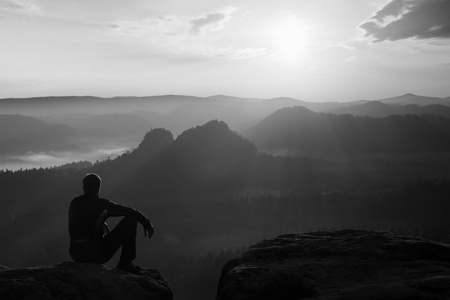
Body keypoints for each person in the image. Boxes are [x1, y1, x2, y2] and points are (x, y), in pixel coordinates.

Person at [69, 173, 154, 274]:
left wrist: (102, 223)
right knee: (131, 220)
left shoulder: (75, 203)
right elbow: (130, 212)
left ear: (83, 187)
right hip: (96, 255)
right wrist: (147, 224)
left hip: (75, 254)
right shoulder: (103, 205)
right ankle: (125, 263)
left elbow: (84, 219)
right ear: (99, 188)